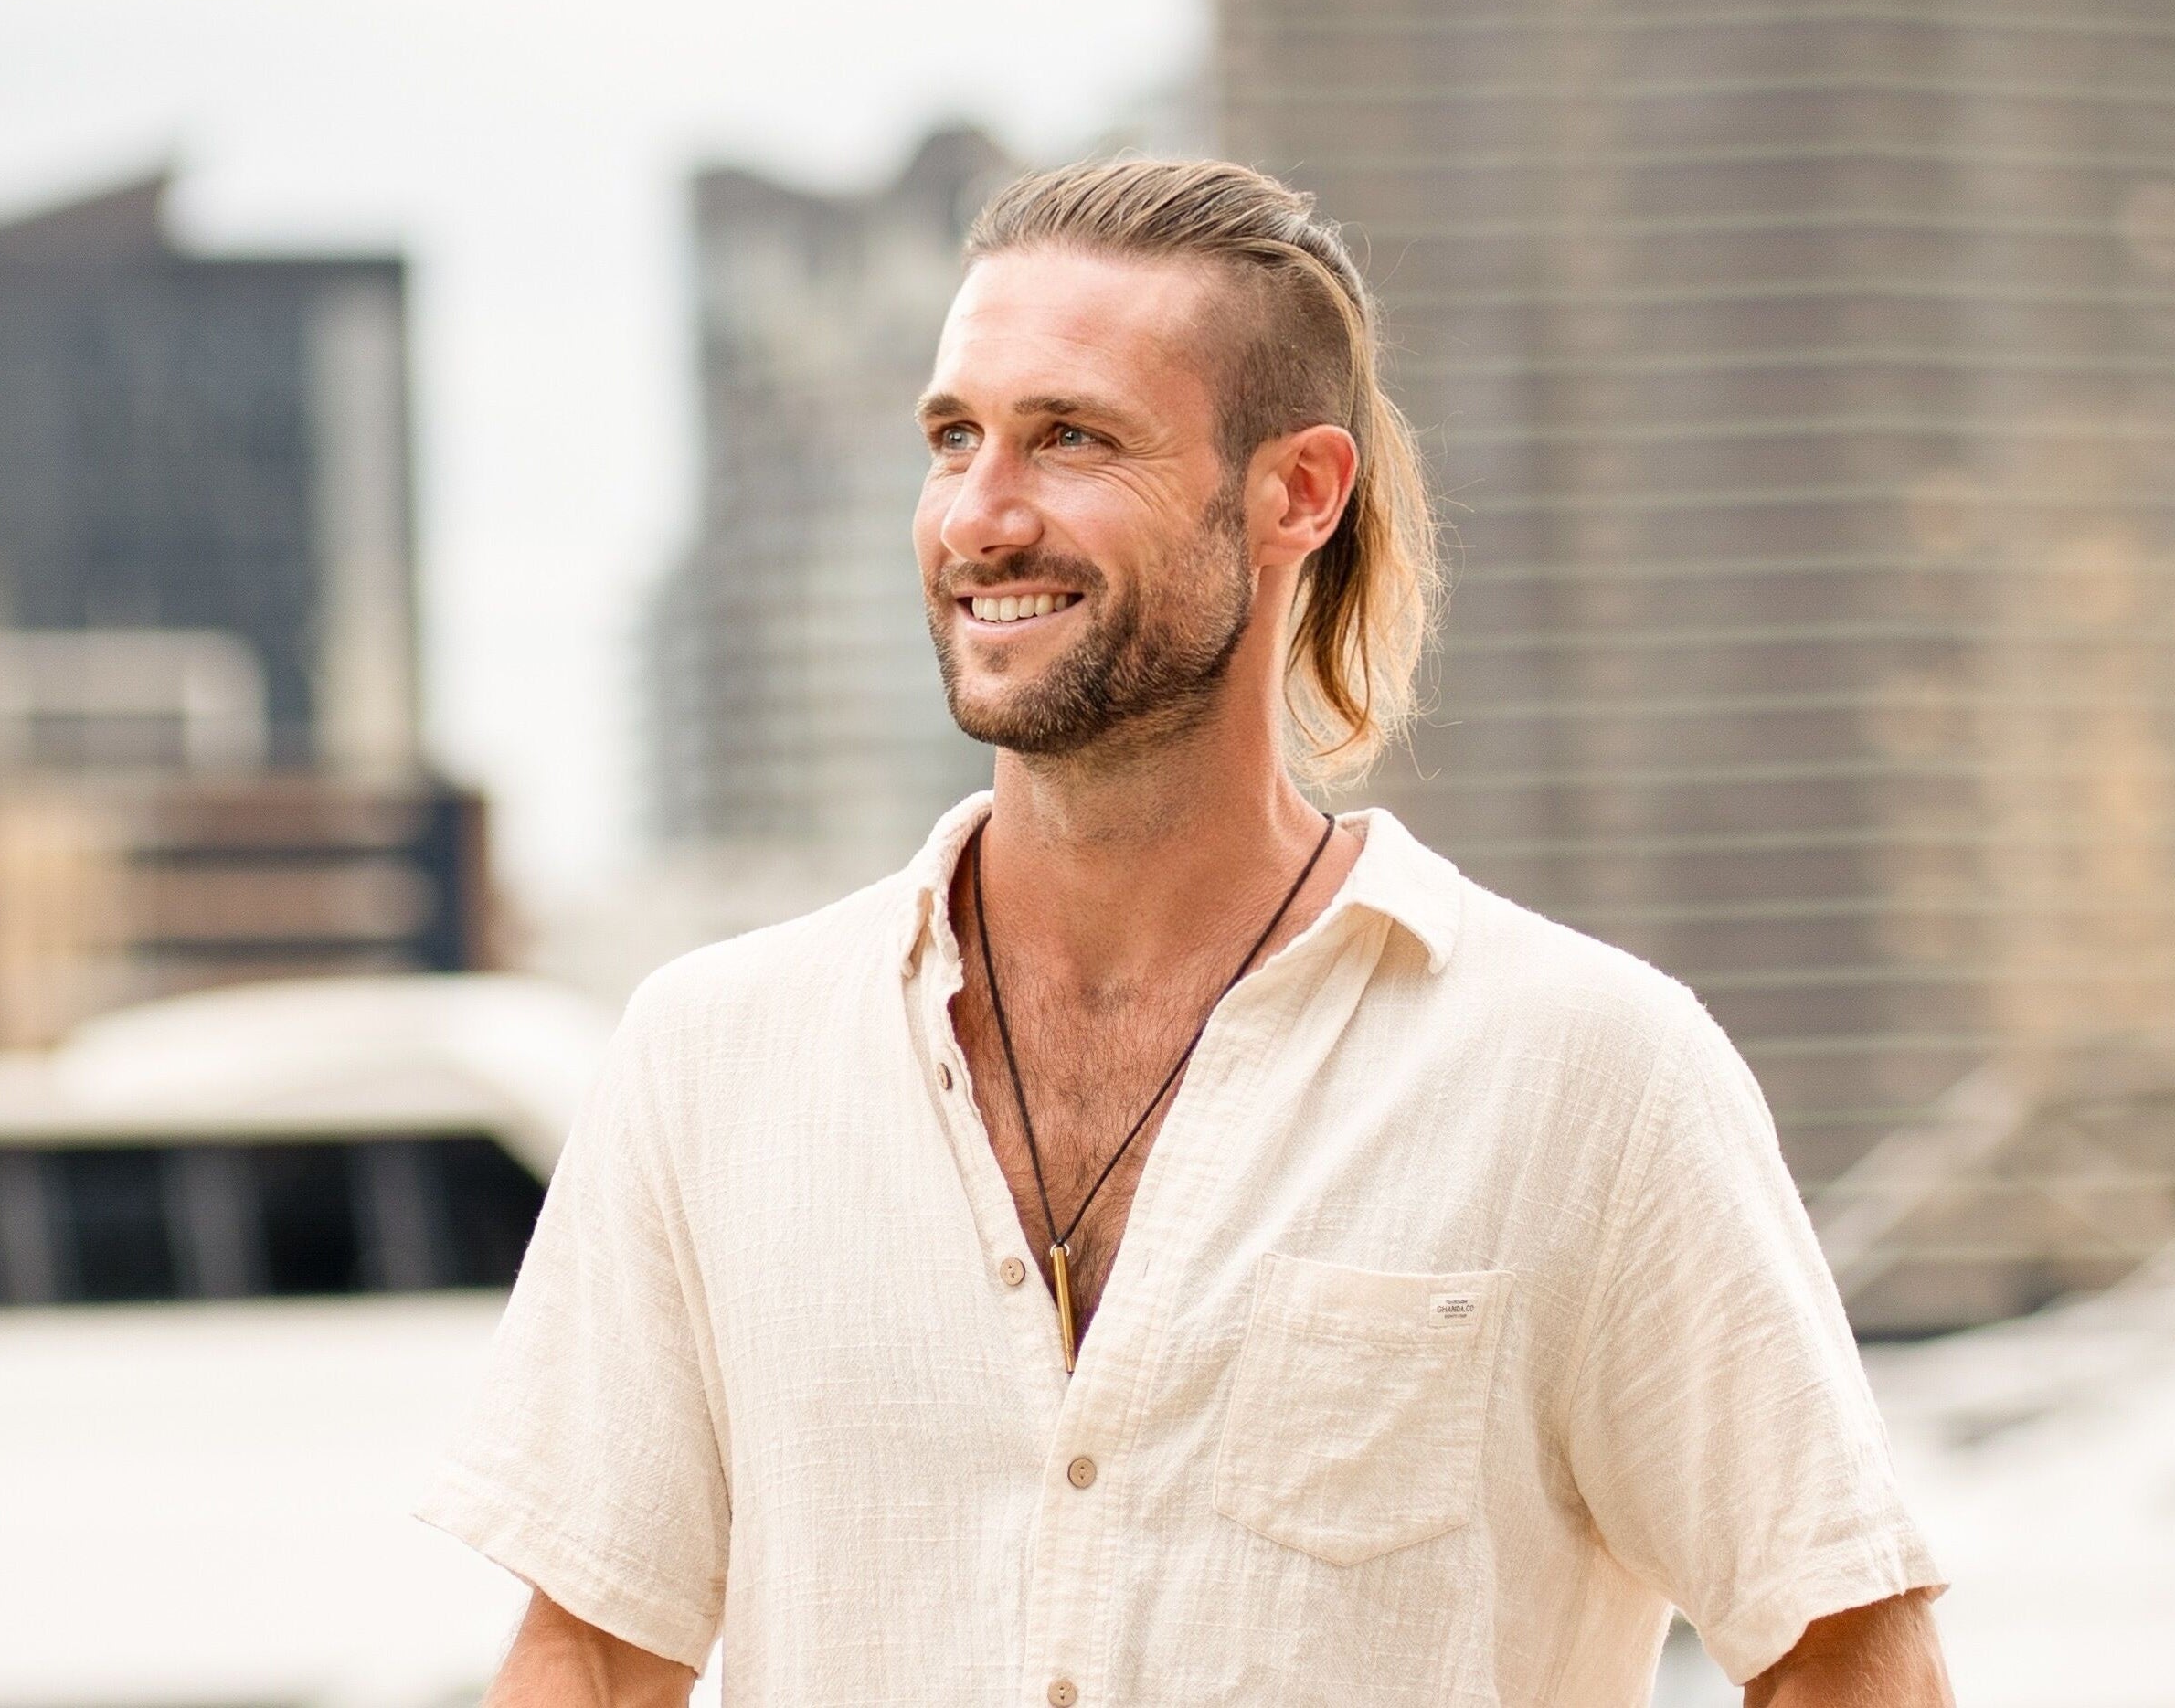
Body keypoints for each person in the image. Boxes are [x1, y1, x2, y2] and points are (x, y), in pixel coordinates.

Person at [418, 159, 1951, 1706]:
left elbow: (1845, 1655)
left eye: (1070, 438)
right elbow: (596, 1661)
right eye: (955, 439)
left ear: (1298, 492)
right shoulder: (713, 1058)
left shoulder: (1590, 1072)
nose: (981, 514)